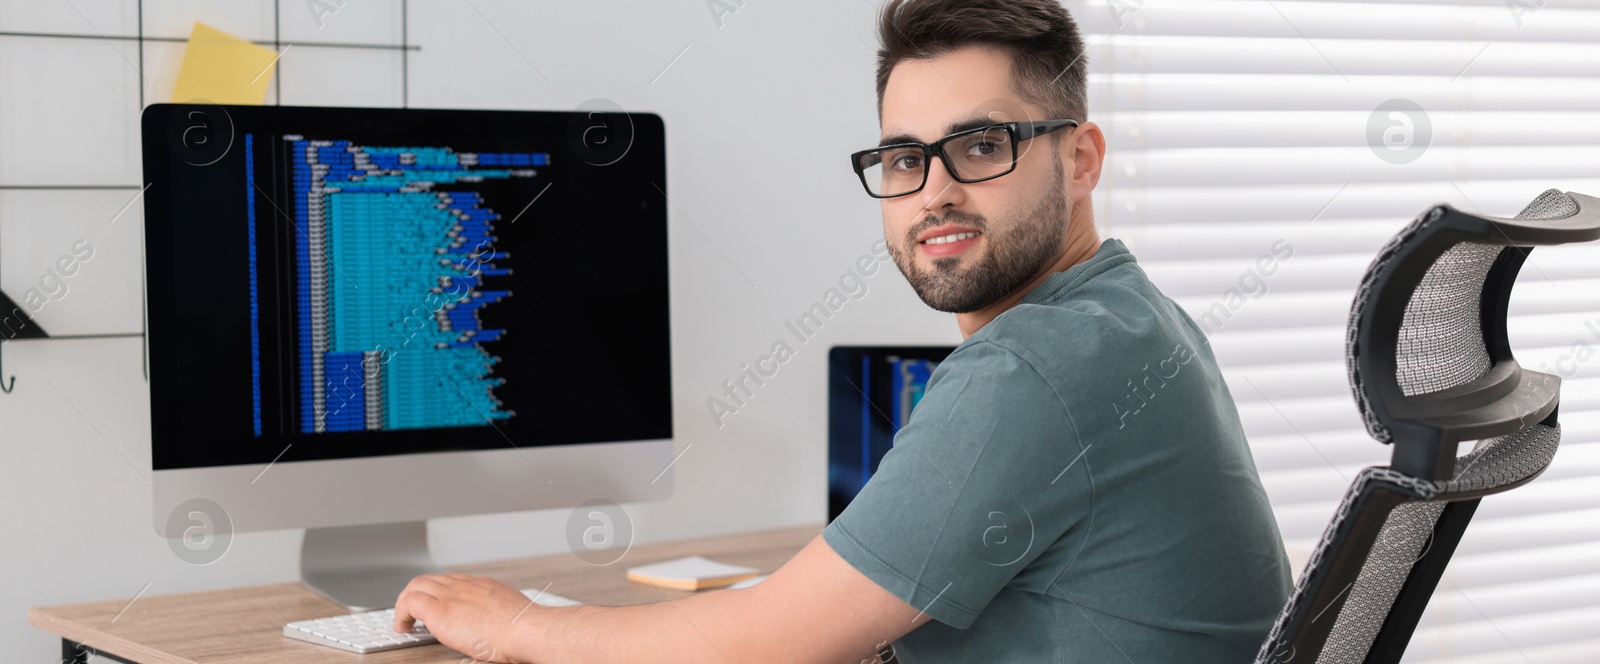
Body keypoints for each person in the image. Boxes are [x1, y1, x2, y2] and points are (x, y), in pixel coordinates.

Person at [394, 1, 1291, 661]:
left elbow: (764, 645)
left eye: (982, 147)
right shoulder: (1131, 317)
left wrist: (516, 625)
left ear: (1082, 157)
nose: (935, 191)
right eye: (905, 158)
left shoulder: (1038, 365)